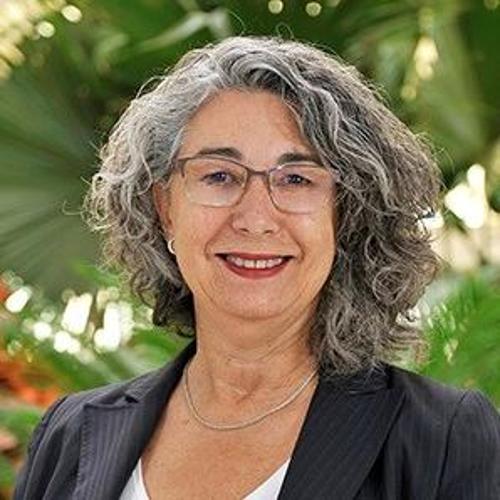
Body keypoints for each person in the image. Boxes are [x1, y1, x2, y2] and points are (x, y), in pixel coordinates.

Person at [14, 35, 500, 500]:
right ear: (165, 209)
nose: (255, 218)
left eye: (296, 179)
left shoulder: (442, 439)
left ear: (346, 214)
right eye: (219, 176)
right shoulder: (70, 434)